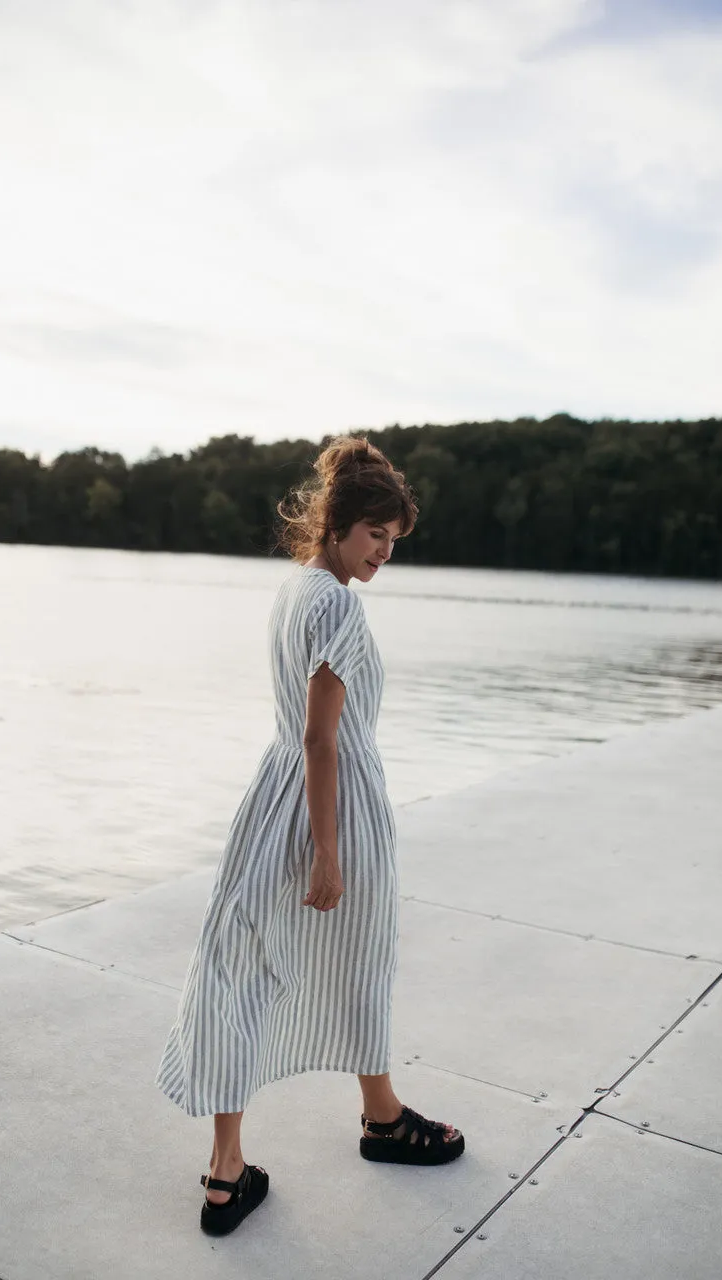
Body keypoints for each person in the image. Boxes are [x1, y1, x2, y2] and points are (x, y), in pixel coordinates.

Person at [155, 434, 464, 1236]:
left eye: (394, 541)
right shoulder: (337, 605)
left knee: (237, 964)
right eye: (374, 536)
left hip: (273, 799)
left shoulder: (294, 591)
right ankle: (382, 1118)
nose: (384, 554)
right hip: (334, 802)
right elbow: (321, 739)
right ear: (336, 526)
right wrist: (327, 851)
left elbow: (302, 735)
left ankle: (231, 1167)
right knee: (358, 956)